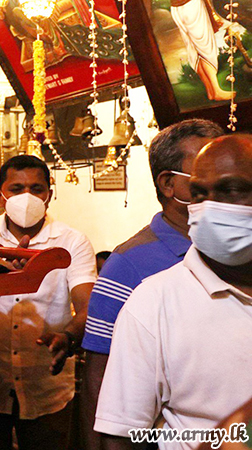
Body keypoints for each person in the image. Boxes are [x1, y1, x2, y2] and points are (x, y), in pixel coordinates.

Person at [94, 134, 252, 449]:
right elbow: (121, 435)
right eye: (198, 194)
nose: (208, 208)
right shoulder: (153, 303)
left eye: (230, 190)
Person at [0, 155, 97, 450]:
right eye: (16, 189)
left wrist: (68, 336)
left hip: (46, 387)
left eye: (36, 189)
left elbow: (88, 306)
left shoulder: (72, 241)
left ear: (49, 195)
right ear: (0, 195)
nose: (27, 197)